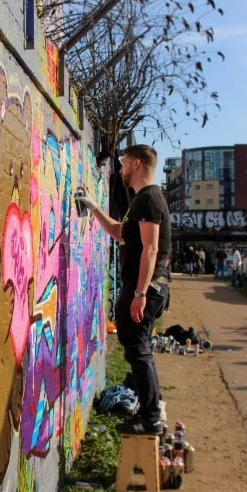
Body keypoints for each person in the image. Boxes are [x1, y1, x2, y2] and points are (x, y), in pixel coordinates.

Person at [75, 144, 170, 435]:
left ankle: (151, 416)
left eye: (125, 163)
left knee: (138, 351)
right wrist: (92, 208)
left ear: (137, 164)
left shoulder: (149, 199)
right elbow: (119, 232)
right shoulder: (141, 200)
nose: (121, 170)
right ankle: (151, 409)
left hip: (145, 288)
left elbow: (151, 249)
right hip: (144, 287)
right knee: (139, 351)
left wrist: (140, 294)